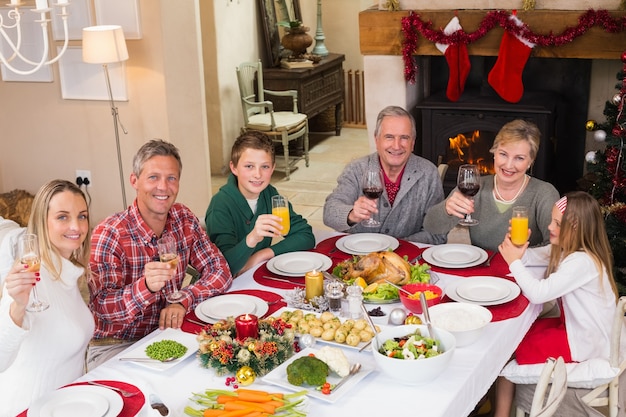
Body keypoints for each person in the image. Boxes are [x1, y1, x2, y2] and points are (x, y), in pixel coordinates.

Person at [87, 139, 232, 370]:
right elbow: (103, 308)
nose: (163, 187)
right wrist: (145, 287)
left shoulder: (183, 218)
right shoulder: (109, 233)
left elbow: (219, 270)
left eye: (171, 178)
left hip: (167, 334)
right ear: (134, 180)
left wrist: (183, 300)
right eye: (153, 177)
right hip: (116, 345)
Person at [493, 191, 618, 417]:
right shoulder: (569, 250)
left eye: (557, 223)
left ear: (576, 229)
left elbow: (539, 294)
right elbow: (534, 257)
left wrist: (514, 263)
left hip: (584, 342)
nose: (550, 227)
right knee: (513, 335)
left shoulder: (582, 261)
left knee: (505, 348)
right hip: (574, 328)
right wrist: (517, 251)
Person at [0, 180, 93, 417]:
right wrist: (17, 307)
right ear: (42, 223)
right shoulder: (29, 274)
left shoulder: (69, 274)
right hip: (27, 409)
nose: (76, 226)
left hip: (66, 405)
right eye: (63, 217)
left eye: (82, 216)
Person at [424, 119, 559, 251]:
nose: (508, 165)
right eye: (503, 154)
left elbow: (556, 245)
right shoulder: (475, 186)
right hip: (482, 269)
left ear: (531, 161)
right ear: (494, 153)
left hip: (523, 270)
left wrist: (519, 256)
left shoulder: (544, 193)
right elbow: (431, 227)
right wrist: (446, 210)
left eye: (519, 158)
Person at [323, 105, 445, 244]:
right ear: (377, 140)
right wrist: (352, 214)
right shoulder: (356, 169)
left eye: (404, 137)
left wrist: (395, 248)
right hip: (360, 257)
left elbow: (437, 234)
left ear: (413, 143)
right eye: (389, 137)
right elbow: (329, 213)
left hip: (407, 261)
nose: (397, 146)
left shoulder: (428, 173)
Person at [205, 131, 315, 276]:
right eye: (249, 166)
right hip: (226, 288)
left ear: (273, 168)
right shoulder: (220, 205)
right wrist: (252, 238)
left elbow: (305, 235)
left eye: (265, 166)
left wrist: (261, 255)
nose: (258, 174)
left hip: (253, 274)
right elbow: (223, 268)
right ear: (234, 168)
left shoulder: (270, 195)